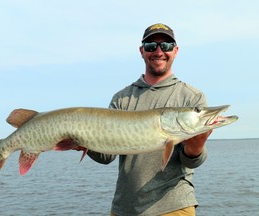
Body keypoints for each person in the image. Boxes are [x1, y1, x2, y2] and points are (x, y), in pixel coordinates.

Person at [87, 23, 212, 216]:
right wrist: (82, 142)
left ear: (176, 51)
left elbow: (191, 162)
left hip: (173, 207)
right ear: (142, 51)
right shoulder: (122, 98)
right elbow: (106, 156)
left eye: (167, 45)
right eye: (151, 46)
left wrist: (196, 148)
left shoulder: (191, 97)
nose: (159, 51)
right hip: (124, 208)